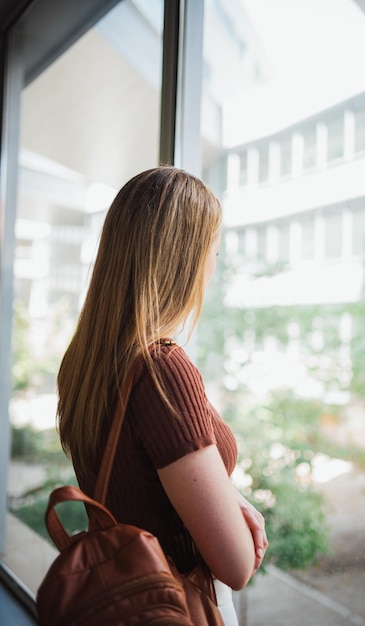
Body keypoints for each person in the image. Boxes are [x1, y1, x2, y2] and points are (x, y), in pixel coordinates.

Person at [57, 166, 268, 625]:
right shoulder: (163, 370)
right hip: (173, 604)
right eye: (213, 250)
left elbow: (142, 472)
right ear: (185, 259)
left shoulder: (86, 361)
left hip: (121, 596)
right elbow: (235, 566)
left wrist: (227, 496)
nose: (214, 266)